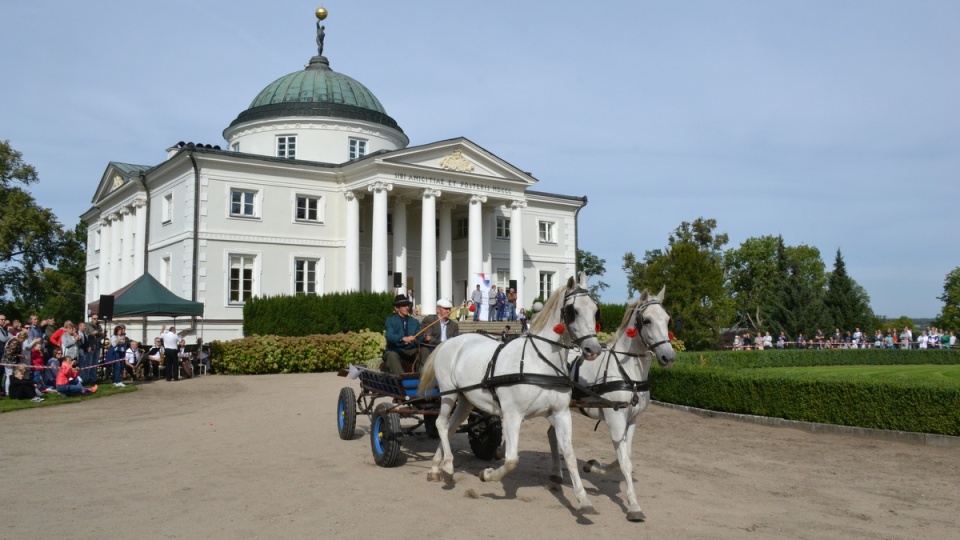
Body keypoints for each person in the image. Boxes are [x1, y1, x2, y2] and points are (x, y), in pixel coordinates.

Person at [382, 294, 422, 374]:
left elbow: (419, 337)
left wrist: (424, 337)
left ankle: (422, 376)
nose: (407, 307)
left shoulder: (414, 322)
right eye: (404, 306)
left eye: (407, 305)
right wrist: (403, 338)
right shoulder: (391, 320)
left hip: (410, 350)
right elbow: (389, 335)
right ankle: (402, 380)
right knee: (392, 355)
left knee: (424, 350)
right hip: (395, 350)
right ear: (397, 308)